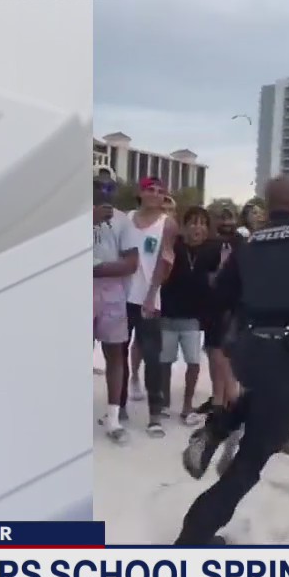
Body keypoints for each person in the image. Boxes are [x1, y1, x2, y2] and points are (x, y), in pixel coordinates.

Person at [174, 176, 289, 545]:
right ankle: (194, 535)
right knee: (258, 451)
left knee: (264, 405)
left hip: (248, 348)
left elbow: (219, 296)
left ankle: (219, 426)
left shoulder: (249, 244)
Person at [120, 176, 177, 436]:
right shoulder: (125, 219)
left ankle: (155, 414)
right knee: (117, 352)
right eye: (150, 190)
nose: (155, 194)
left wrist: (151, 295)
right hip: (121, 296)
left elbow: (165, 261)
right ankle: (118, 405)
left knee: (153, 355)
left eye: (160, 191)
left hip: (149, 299)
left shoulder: (168, 224)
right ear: (140, 193)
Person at [92, 174, 141, 442]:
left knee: (115, 353)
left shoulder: (123, 221)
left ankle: (113, 418)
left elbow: (131, 262)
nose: (104, 191)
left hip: (112, 294)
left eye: (109, 186)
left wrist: (95, 269)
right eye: (97, 185)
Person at [159, 205, 214, 424]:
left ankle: (187, 405)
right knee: (165, 362)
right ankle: (163, 402)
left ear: (208, 229)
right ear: (184, 227)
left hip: (192, 318)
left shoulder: (213, 250)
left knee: (193, 362)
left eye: (202, 223)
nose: (197, 227)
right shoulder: (174, 246)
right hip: (168, 315)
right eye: (193, 222)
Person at [194, 206, 246, 418]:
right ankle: (219, 399)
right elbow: (206, 279)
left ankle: (227, 401)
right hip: (211, 307)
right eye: (221, 218)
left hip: (232, 308)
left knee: (223, 356)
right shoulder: (208, 246)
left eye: (229, 217)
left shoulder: (242, 246)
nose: (226, 222)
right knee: (214, 353)